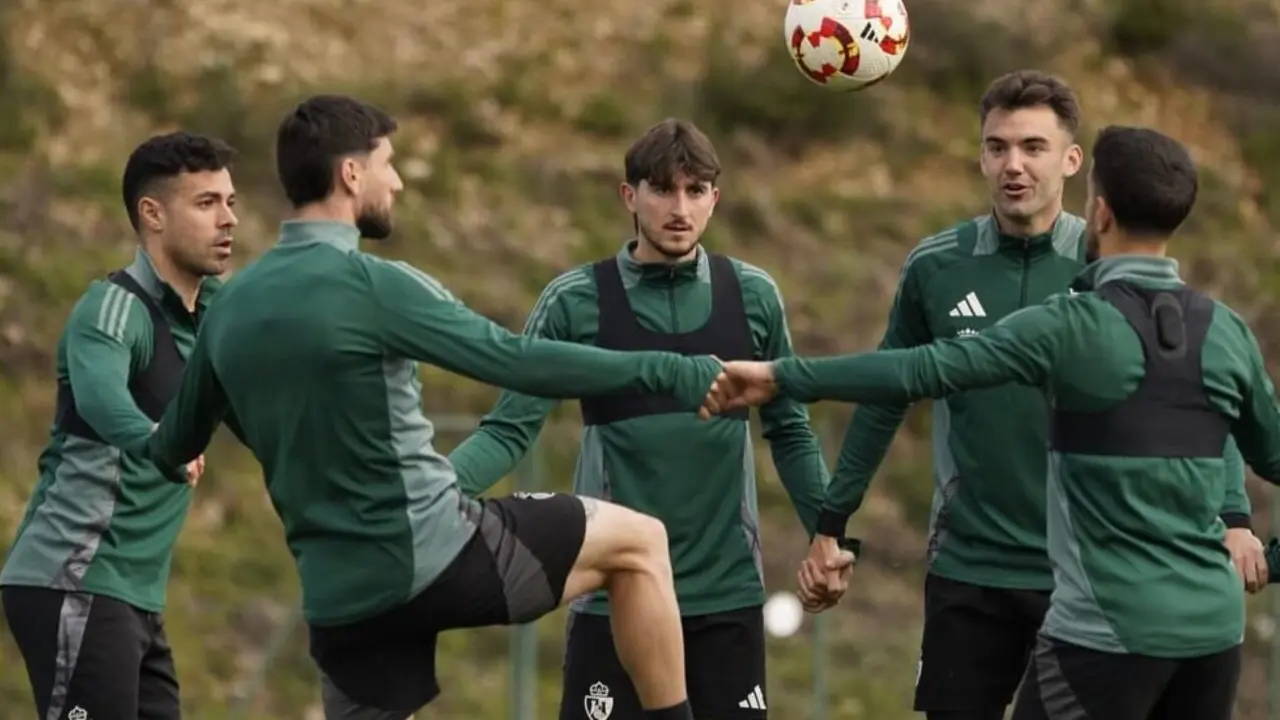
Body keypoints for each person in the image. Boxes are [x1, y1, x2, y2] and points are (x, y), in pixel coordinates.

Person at [130, 95, 724, 720]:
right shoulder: (375, 286)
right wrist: (670, 369)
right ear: (351, 175)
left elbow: (170, 449)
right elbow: (515, 361)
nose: (399, 180)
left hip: (341, 600)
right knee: (641, 542)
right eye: (387, 162)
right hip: (438, 556)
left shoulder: (230, 310)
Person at [707, 125, 1279, 720]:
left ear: (1100, 212)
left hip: (1106, 631)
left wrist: (781, 377)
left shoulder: (1070, 325)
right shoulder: (1228, 331)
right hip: (1215, 636)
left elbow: (924, 370)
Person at [448, 118, 828, 720]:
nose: (680, 208)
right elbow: (509, 428)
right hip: (613, 596)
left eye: (696, 190)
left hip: (724, 598)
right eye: (662, 189)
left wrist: (828, 532)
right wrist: (430, 495)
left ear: (714, 199)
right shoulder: (576, 300)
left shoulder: (752, 295)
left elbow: (791, 430)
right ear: (629, 196)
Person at [0, 131, 237, 720]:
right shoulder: (113, 307)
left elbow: (268, 422)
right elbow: (103, 402)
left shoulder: (214, 324)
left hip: (134, 597)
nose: (228, 219)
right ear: (151, 214)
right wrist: (164, 446)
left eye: (231, 202)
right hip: (74, 578)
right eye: (206, 203)